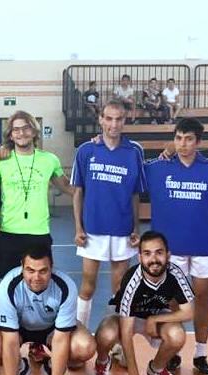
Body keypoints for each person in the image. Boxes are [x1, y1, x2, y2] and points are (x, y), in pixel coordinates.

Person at [145, 118, 208, 375]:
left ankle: (201, 354)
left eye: (189, 138)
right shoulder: (156, 169)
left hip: (204, 246)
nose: (183, 143)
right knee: (173, 301)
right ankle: (173, 351)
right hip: (171, 248)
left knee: (202, 299)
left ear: (198, 141)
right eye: (178, 138)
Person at [0, 246, 95, 375]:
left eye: (43, 271)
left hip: (51, 330)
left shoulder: (65, 286)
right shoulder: (8, 285)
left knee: (85, 347)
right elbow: (10, 341)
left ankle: (52, 365)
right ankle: (20, 366)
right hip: (19, 329)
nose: (36, 278)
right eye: (30, 270)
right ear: (21, 267)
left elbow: (61, 339)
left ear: (52, 267)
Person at [70, 100, 146, 328]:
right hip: (92, 229)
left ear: (125, 120)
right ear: (101, 119)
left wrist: (136, 228)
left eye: (119, 119)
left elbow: (135, 195)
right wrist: (78, 228)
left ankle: (114, 341)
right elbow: (78, 192)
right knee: (88, 285)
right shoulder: (86, 150)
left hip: (122, 229)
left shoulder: (134, 151)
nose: (114, 124)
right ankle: (79, 332)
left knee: (118, 288)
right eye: (109, 118)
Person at [92, 231, 194, 375]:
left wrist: (155, 319)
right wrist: (133, 374)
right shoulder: (132, 280)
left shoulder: (175, 274)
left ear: (168, 255)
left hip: (155, 315)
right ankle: (102, 362)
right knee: (106, 334)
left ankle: (157, 369)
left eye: (159, 253)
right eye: (147, 254)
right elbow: (126, 332)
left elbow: (189, 312)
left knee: (177, 335)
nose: (153, 259)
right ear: (140, 258)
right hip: (123, 318)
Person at [0, 111, 75, 280]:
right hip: (9, 233)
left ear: (34, 131)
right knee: (7, 285)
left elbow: (69, 188)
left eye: (26, 128)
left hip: (39, 233)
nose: (21, 133)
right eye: (16, 129)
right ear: (11, 135)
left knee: (39, 284)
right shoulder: (0, 160)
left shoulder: (50, 160)